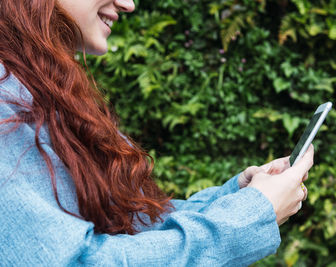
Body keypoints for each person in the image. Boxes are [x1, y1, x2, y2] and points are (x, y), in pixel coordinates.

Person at [0, 0, 314, 266]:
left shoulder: (41, 89)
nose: (128, 4)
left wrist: (241, 196)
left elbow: (133, 225)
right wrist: (250, 216)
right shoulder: (6, 102)